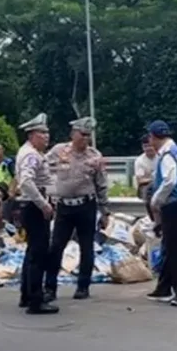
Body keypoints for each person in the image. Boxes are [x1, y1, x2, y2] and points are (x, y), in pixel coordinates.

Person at [45, 117, 110, 301]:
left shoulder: (94, 156)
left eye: (89, 136)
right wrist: (48, 195)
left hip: (86, 206)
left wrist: (105, 211)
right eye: (82, 134)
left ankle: (83, 286)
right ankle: (50, 287)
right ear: (73, 134)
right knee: (56, 247)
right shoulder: (59, 151)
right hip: (64, 206)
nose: (85, 139)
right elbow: (44, 168)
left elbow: (102, 185)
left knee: (86, 247)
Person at [145, 120, 177, 307]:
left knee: (176, 250)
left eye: (150, 136)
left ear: (155, 137)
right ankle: (163, 288)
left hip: (175, 205)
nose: (149, 140)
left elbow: (170, 181)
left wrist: (156, 200)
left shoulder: (167, 156)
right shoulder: (175, 151)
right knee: (169, 247)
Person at [15, 113, 58, 315]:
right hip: (34, 208)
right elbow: (26, 182)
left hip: (30, 207)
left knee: (32, 253)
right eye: (42, 133)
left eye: (47, 132)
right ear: (32, 135)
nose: (46, 136)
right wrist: (43, 204)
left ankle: (27, 294)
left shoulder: (31, 152)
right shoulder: (31, 155)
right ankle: (36, 301)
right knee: (38, 255)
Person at [134, 135, 157, 200]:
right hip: (147, 186)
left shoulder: (161, 157)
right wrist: (154, 180)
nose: (148, 148)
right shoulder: (139, 160)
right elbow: (140, 180)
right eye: (145, 146)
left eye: (150, 146)